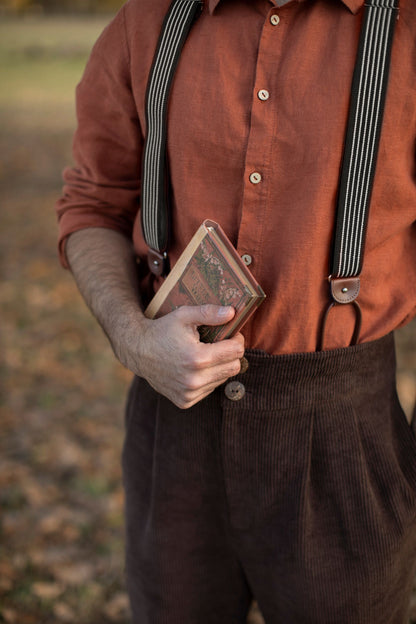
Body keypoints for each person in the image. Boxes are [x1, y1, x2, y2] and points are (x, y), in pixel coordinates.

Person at [55, 0, 416, 622]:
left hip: (345, 437)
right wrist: (132, 337)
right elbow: (92, 205)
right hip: (172, 431)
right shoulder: (147, 20)